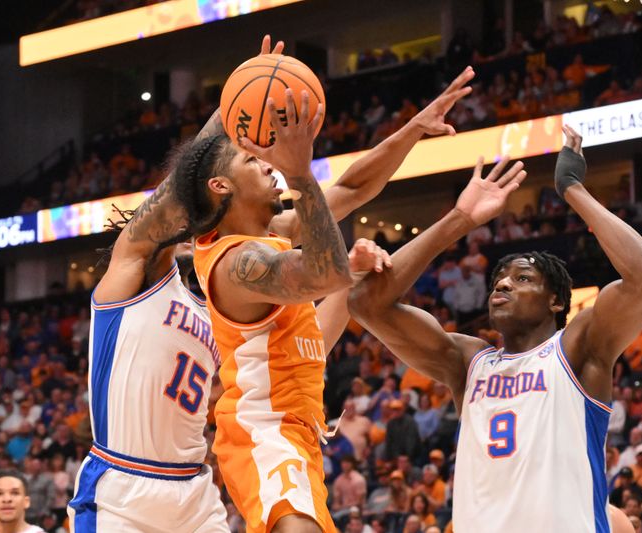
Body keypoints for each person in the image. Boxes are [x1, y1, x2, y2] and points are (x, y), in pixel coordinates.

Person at [191, 65, 478, 533]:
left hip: (297, 431)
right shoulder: (237, 264)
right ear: (221, 187)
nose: (266, 162)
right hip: (264, 431)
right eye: (250, 160)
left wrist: (413, 130)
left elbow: (352, 188)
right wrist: (300, 176)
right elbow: (324, 270)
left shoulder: (274, 235)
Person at [349, 126, 642, 532]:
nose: (502, 284)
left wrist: (572, 189)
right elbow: (365, 304)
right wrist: (458, 220)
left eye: (522, 279)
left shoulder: (576, 350)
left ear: (556, 301)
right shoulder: (468, 362)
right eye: (500, 278)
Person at [68, 36, 287, 533]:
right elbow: (170, 201)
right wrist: (236, 106)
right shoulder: (136, 275)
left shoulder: (222, 298)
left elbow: (321, 212)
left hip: (193, 489)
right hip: (123, 486)